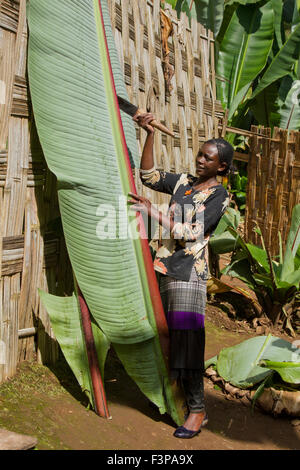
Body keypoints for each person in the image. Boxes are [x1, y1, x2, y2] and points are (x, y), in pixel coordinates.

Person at [128, 113, 233, 439]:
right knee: (163, 335)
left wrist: (152, 212)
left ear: (222, 168)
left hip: (189, 274)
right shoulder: (184, 181)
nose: (200, 160)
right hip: (162, 266)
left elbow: (191, 232)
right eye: (200, 154)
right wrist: (148, 134)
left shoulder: (219, 196)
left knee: (188, 341)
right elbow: (149, 176)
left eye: (208, 158)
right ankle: (170, 396)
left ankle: (198, 410)